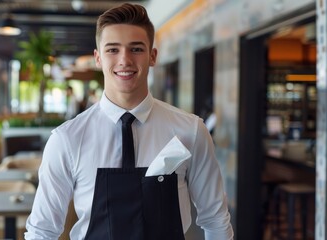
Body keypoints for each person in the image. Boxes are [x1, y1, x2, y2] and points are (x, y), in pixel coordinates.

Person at [25, 3, 234, 240]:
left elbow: (215, 219)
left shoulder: (191, 131)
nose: (124, 60)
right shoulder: (67, 139)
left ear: (152, 56)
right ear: (98, 58)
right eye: (112, 50)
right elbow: (42, 231)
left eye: (136, 49)